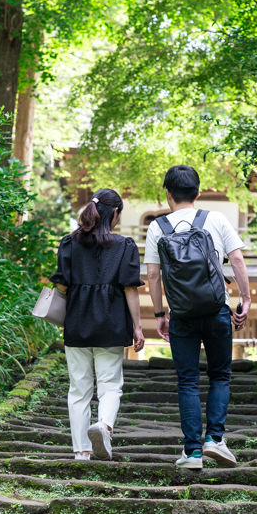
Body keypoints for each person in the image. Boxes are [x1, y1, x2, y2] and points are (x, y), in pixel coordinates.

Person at [144, 165, 251, 470]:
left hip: (182, 315)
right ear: (198, 193)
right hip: (217, 309)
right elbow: (238, 258)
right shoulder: (214, 219)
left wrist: (160, 314)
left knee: (188, 381)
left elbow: (153, 275)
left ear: (167, 194)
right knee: (219, 375)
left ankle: (192, 453)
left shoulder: (157, 227)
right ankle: (214, 440)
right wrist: (246, 297)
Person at [50, 189, 146, 461]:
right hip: (111, 323)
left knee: (79, 389)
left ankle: (81, 451)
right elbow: (130, 289)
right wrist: (138, 327)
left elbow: (61, 285)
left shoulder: (69, 243)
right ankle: (103, 425)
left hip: (77, 322)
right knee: (110, 385)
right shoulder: (125, 245)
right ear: (114, 213)